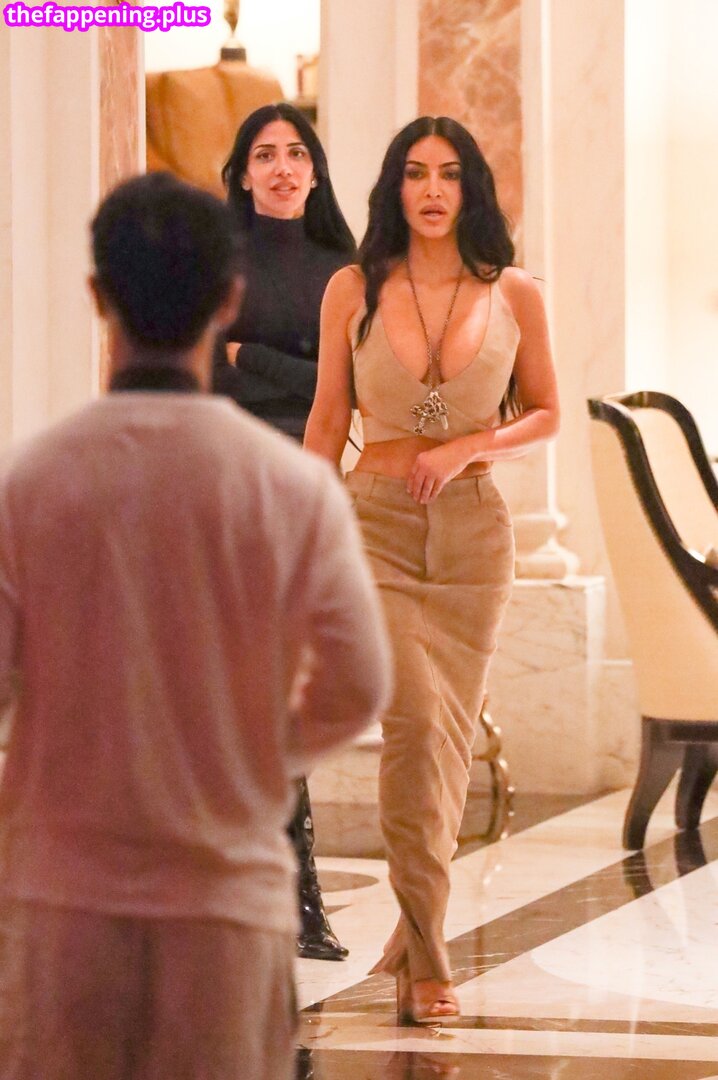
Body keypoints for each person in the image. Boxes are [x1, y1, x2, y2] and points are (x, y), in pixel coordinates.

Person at [0, 173, 391, 1080]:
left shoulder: (32, 482)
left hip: (65, 895)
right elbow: (360, 683)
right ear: (227, 300)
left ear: (97, 296)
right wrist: (251, 754)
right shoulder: (288, 486)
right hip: (226, 897)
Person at [304, 116, 559, 1023]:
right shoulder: (352, 289)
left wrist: (466, 449)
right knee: (414, 725)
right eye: (416, 174)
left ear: (471, 187)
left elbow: (547, 413)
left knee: (446, 743)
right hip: (373, 527)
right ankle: (431, 962)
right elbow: (328, 419)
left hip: (474, 538)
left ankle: (414, 930)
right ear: (395, 188)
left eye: (450, 174)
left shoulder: (515, 292)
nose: (433, 190)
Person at [213, 102, 358, 961]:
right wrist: (298, 379)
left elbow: (350, 389)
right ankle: (291, 896)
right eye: (264, 154)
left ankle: (289, 894)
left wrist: (253, 358)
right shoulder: (218, 263)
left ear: (315, 171)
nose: (282, 167)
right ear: (241, 174)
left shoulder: (346, 270)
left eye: (296, 153)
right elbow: (208, 375)